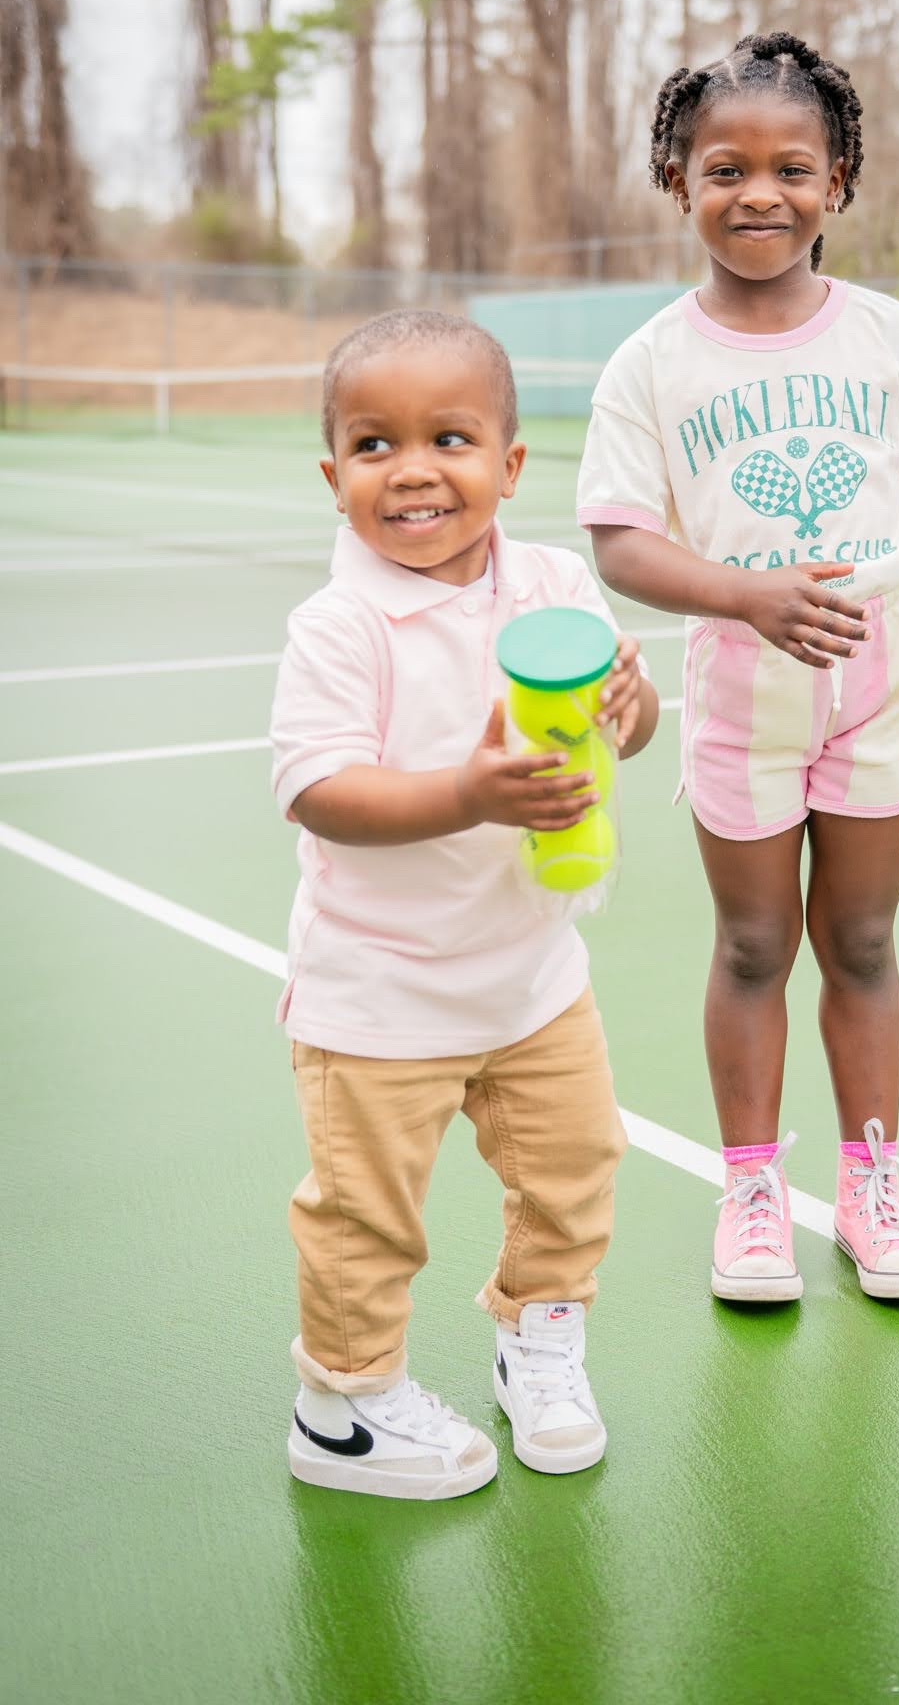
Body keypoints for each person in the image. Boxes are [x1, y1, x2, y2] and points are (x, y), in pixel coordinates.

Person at [577, 32, 899, 1305]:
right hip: (743, 694)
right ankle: (751, 1192)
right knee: (753, 947)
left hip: (882, 682)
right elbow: (620, 542)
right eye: (726, 168)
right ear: (674, 179)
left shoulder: (891, 339)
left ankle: (870, 1186)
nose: (760, 193)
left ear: (841, 180)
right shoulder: (651, 362)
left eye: (793, 167)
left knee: (860, 939)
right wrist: (742, 594)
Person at [271, 308, 658, 1497]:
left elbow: (621, 731)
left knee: (574, 1165)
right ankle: (343, 1400)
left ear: (509, 461)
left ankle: (538, 1334)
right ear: (334, 476)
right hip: (379, 995)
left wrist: (631, 709)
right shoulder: (336, 625)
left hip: (534, 975)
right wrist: (468, 793)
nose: (416, 470)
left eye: (450, 436)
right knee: (366, 1215)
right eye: (376, 446)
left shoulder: (554, 581)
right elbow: (318, 789)